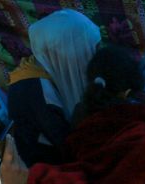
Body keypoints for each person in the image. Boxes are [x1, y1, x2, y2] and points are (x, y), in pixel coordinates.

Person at [7, 9, 102, 165]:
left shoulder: (47, 65)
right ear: (68, 51)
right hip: (50, 172)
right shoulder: (34, 92)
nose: (94, 56)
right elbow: (71, 147)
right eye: (91, 49)